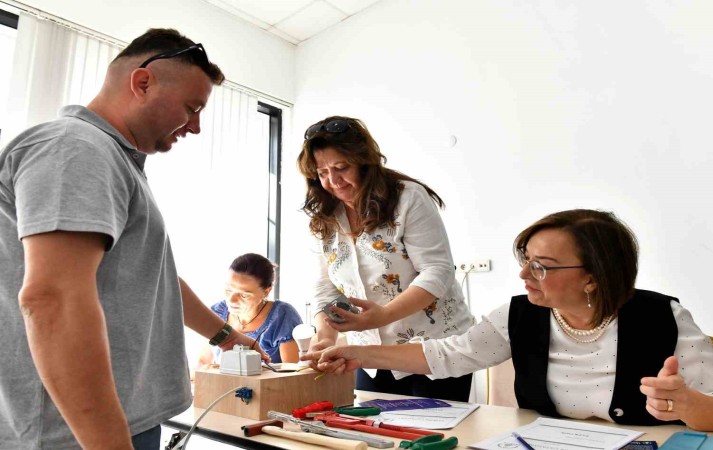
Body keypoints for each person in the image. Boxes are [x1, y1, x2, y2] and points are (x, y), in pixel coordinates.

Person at [0, 29, 269, 450]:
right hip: (73, 434)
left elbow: (153, 277)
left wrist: (227, 336)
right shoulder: (76, 148)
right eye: (192, 108)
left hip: (120, 419)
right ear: (143, 83)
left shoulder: (110, 159)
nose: (196, 127)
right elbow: (52, 299)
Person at [304, 209, 713, 432]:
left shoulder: (662, 317)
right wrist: (356, 353)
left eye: (542, 266)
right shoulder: (518, 314)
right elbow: (448, 355)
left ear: (594, 278)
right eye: (525, 260)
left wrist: (685, 403)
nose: (524, 275)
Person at [296, 116, 475, 402]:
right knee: (372, 427)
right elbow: (326, 288)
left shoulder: (408, 198)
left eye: (341, 168)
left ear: (364, 162)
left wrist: (384, 315)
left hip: (432, 348)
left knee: (434, 427)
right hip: (369, 355)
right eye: (323, 172)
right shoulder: (326, 216)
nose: (333, 181)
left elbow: (437, 271)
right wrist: (326, 338)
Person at [197, 253, 303, 366]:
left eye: (244, 295)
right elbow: (203, 362)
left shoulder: (282, 315)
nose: (232, 300)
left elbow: (292, 371)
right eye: (228, 290)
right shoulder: (217, 312)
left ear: (266, 292)